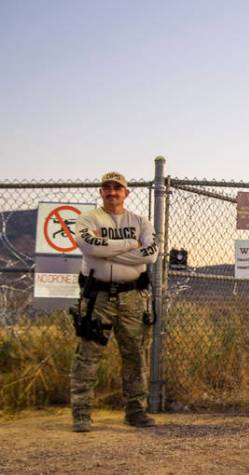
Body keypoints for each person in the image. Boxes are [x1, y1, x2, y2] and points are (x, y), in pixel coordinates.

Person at [69, 171, 159, 432]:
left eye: (117, 188)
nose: (112, 192)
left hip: (132, 297)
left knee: (135, 354)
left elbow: (150, 255)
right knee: (87, 355)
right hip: (97, 297)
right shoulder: (88, 218)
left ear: (126, 193)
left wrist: (109, 253)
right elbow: (90, 248)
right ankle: (82, 414)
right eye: (107, 188)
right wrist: (130, 245)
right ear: (101, 192)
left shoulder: (141, 221)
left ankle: (135, 412)